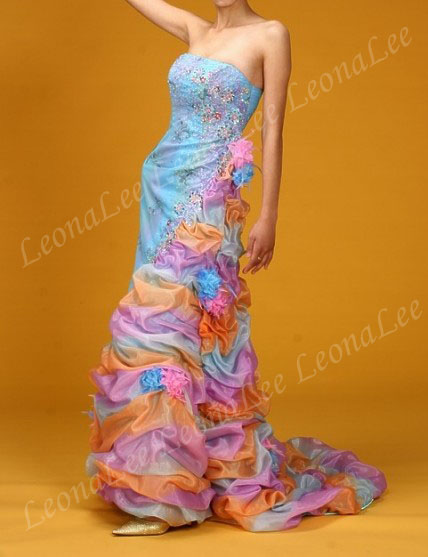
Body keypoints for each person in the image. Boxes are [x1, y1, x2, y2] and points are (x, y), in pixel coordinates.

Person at [85, 0, 387, 536]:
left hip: (208, 196)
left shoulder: (271, 34)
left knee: (186, 320)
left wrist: (269, 214)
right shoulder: (194, 28)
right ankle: (161, 481)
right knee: (156, 322)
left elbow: (272, 127)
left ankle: (174, 492)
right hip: (161, 187)